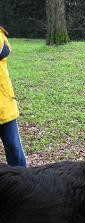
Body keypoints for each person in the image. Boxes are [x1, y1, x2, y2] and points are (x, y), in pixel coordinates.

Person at [0, 25, 27, 167]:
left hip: (4, 106)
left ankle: (24, 186)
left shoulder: (1, 37)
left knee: (14, 150)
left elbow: (3, 50)